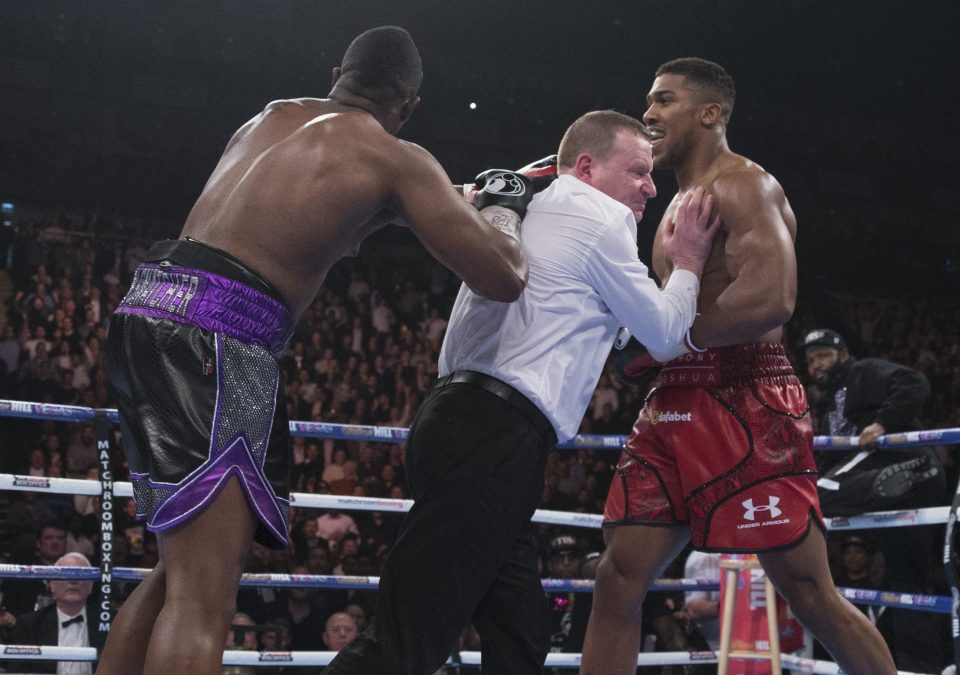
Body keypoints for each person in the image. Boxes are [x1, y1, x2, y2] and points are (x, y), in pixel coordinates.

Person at [99, 25, 531, 675]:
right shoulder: (397, 158)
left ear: (337, 74)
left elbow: (323, 205)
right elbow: (504, 273)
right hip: (221, 332)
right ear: (408, 104)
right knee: (203, 597)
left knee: (175, 571)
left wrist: (443, 198)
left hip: (150, 306)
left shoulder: (269, 118)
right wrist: (502, 209)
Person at [326, 109, 720, 674]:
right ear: (586, 167)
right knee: (406, 641)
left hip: (467, 424)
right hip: (494, 434)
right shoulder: (597, 215)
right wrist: (688, 264)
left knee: (520, 636)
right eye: (637, 171)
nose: (651, 188)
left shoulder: (533, 207)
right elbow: (663, 334)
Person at [581, 58, 897, 674]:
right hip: (673, 400)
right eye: (649, 101)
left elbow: (772, 296)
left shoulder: (745, 185)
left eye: (664, 100)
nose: (648, 114)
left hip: (746, 393)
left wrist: (670, 343)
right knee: (617, 579)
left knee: (808, 592)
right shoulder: (670, 206)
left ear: (709, 113)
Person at [802, 328, 946, 672]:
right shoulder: (828, 400)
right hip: (877, 484)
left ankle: (917, 469)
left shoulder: (863, 371)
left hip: (892, 458)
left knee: (811, 497)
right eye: (810, 360)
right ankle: (920, 668)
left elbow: (914, 383)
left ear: (843, 354)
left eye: (824, 355)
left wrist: (883, 423)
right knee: (909, 583)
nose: (817, 364)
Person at [7, 552, 102, 675]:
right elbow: (17, 671)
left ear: (91, 585)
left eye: (80, 574)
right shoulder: (30, 625)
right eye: (66, 574)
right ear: (52, 584)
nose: (73, 581)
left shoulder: (109, 622)